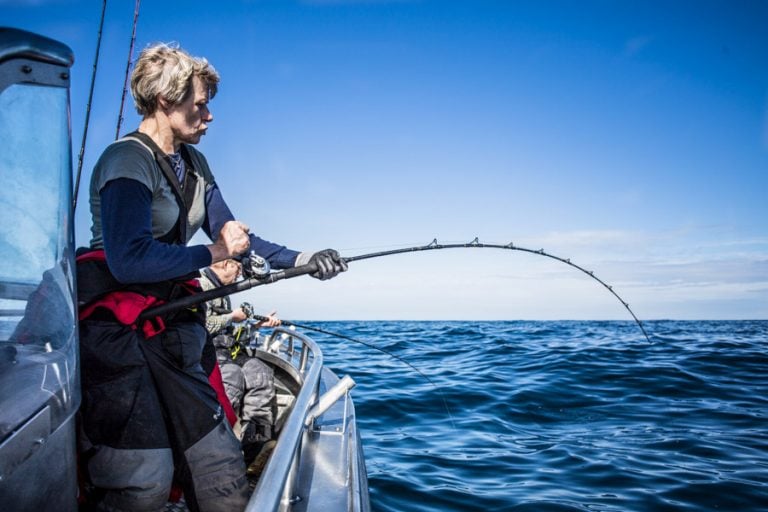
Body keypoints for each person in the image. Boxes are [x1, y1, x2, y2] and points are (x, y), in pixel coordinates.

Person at [76, 42, 347, 512]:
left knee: (220, 471)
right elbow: (129, 260)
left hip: (172, 327)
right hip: (118, 334)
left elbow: (238, 236)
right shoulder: (127, 160)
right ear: (165, 99)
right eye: (200, 104)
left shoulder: (195, 165)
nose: (209, 115)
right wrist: (213, 253)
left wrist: (305, 258)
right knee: (144, 483)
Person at [199, 260, 281, 472]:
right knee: (233, 376)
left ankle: (254, 448)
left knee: (259, 371)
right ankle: (215, 450)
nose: (239, 275)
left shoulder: (222, 291)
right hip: (204, 355)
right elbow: (202, 324)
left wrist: (256, 326)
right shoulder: (200, 284)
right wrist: (231, 317)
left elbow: (230, 336)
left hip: (226, 353)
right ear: (226, 263)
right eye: (238, 269)